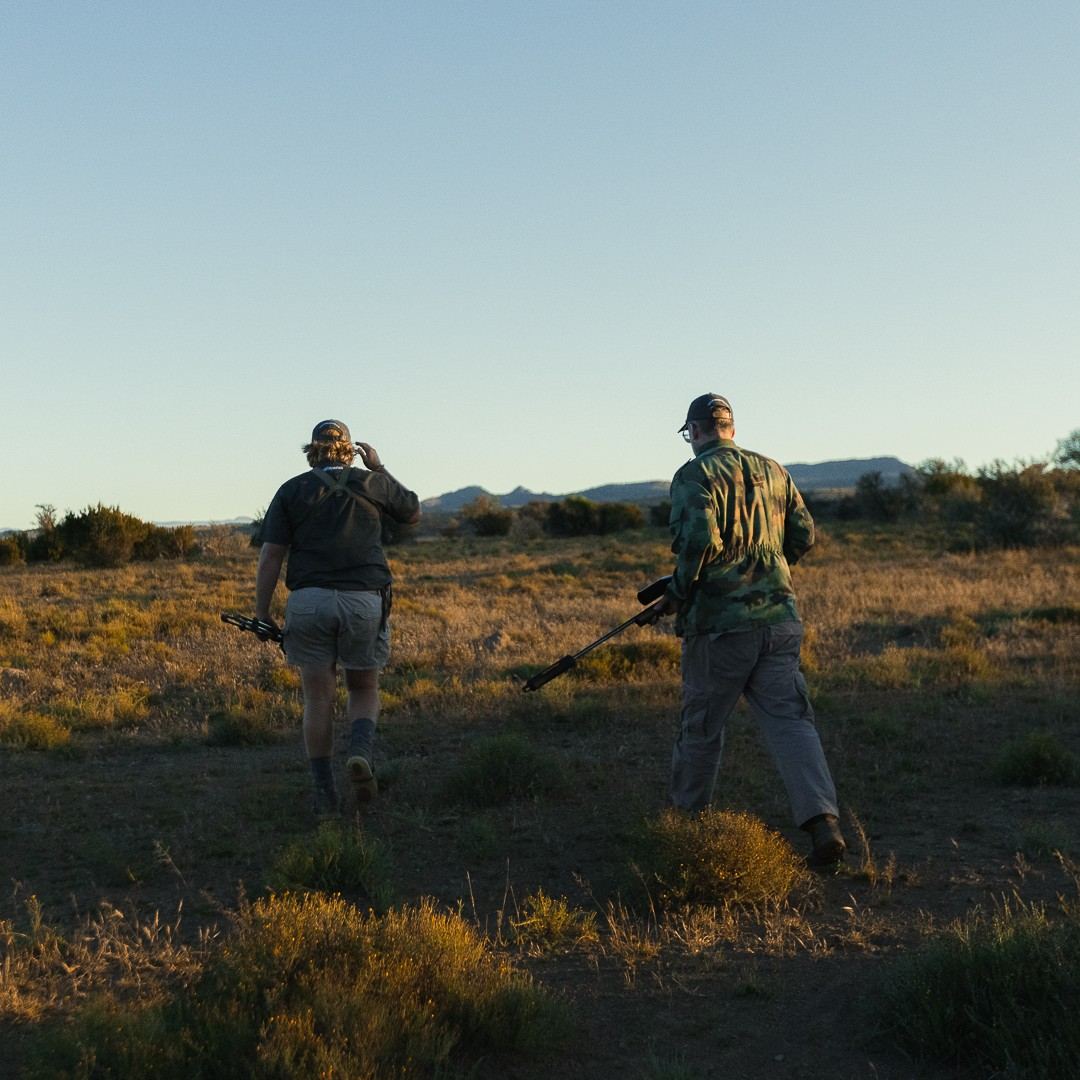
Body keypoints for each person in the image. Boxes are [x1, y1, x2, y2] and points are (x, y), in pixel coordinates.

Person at [649, 394, 846, 868]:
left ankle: (687, 830)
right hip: (780, 619)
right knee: (792, 723)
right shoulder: (774, 470)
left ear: (695, 430)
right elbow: (804, 534)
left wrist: (678, 590)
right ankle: (824, 823)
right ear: (731, 428)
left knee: (701, 727)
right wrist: (768, 573)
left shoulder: (694, 475)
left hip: (719, 627)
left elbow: (698, 541)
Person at [254, 419, 421, 817]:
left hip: (308, 601)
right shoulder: (371, 482)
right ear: (350, 449)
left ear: (311, 450)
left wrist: (262, 611)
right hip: (364, 599)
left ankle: (324, 792)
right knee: (362, 687)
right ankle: (360, 752)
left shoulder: (292, 490)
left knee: (318, 697)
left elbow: (271, 555)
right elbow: (412, 511)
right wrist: (378, 467)